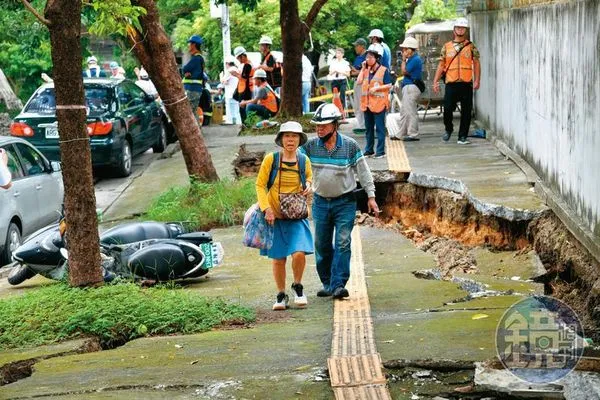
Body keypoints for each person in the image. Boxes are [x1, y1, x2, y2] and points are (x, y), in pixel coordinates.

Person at [301, 103, 380, 300]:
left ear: (335, 125)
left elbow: (364, 172)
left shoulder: (350, 146)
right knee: (321, 244)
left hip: (345, 202)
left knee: (343, 242)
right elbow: (295, 163)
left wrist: (371, 196)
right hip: (320, 202)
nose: (319, 129)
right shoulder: (310, 147)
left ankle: (338, 284)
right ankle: (327, 283)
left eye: (324, 125)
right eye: (317, 126)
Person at [256, 121, 314, 310]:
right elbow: (260, 185)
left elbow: (309, 179)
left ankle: (298, 286)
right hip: (275, 217)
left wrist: (308, 186)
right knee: (279, 258)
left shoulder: (304, 160)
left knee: (299, 254)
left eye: (294, 136)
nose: (291, 140)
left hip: (296, 216)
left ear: (299, 140)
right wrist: (267, 209)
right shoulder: (271, 160)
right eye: (287, 136)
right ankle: (281, 294)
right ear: (281, 140)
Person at [432, 17, 481, 145]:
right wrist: (435, 81)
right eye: (458, 27)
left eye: (462, 28)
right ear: (454, 30)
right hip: (451, 82)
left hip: (466, 82)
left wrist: (477, 80)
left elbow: (476, 63)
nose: (460, 30)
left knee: (466, 111)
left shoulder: (471, 46)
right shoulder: (446, 47)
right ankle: (449, 128)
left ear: (465, 30)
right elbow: (441, 65)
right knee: (447, 108)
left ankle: (462, 136)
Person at [357, 43, 393, 158]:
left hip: (379, 104)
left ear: (377, 58)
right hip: (367, 105)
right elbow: (359, 81)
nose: (368, 59)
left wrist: (377, 88)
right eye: (367, 57)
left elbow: (389, 85)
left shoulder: (383, 70)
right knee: (369, 130)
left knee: (380, 129)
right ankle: (369, 150)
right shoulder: (366, 70)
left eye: (371, 57)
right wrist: (362, 69)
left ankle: (380, 151)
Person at [393, 36, 423, 141]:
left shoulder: (415, 59)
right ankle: (401, 133)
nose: (403, 51)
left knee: (410, 111)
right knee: (405, 110)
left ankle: (413, 134)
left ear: (410, 49)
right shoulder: (413, 58)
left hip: (411, 86)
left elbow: (404, 71)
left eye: (405, 49)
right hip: (408, 86)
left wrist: (404, 60)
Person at [182, 35, 206, 125]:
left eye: (190, 44)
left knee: (190, 113)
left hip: (193, 90)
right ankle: (197, 132)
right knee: (193, 112)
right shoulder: (198, 58)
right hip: (195, 89)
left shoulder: (196, 58)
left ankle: (197, 133)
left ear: (194, 45)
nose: (189, 46)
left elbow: (185, 68)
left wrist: (186, 71)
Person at [231, 46, 254, 123]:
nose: (238, 60)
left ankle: (246, 124)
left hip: (246, 90)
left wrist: (235, 74)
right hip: (243, 89)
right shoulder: (245, 64)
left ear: (243, 56)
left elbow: (244, 78)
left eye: (238, 58)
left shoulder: (248, 65)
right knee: (242, 108)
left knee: (243, 108)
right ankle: (245, 124)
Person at [350, 38, 368, 134]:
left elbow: (364, 71)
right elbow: (355, 71)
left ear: (362, 46)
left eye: (356, 46)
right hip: (356, 81)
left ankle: (364, 124)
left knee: (363, 103)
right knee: (357, 104)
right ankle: (360, 123)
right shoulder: (358, 58)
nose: (355, 48)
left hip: (363, 83)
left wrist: (357, 72)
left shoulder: (367, 56)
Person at [221, 56, 240, 124]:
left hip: (231, 94)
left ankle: (234, 123)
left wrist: (221, 77)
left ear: (227, 63)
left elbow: (224, 81)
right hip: (237, 92)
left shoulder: (229, 70)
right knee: (237, 109)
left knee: (232, 110)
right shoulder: (237, 69)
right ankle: (238, 122)